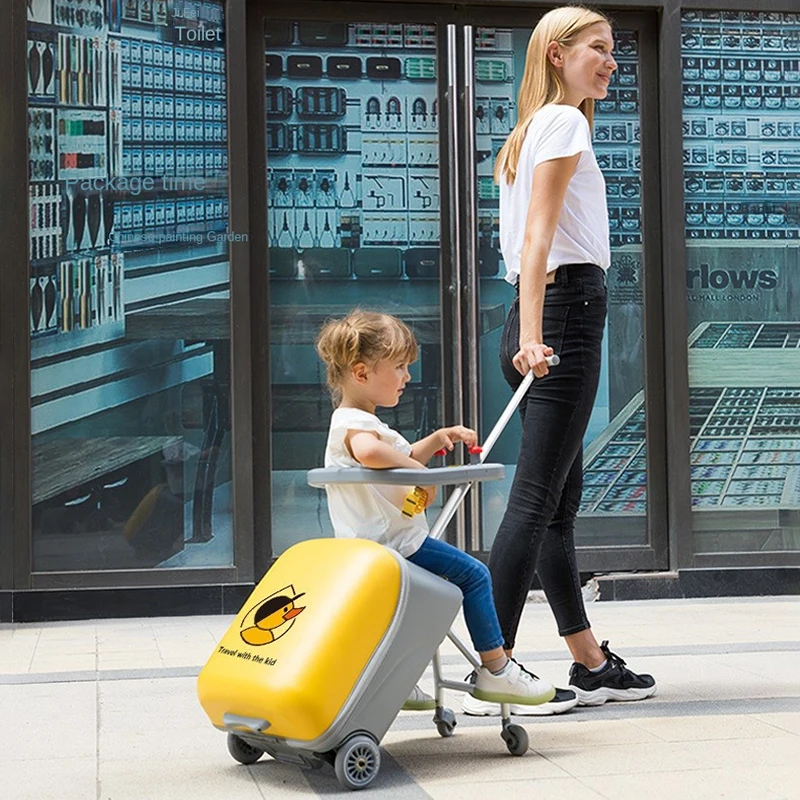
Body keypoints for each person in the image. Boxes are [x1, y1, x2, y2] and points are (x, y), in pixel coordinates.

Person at [463, 5, 656, 717]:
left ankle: (588, 660)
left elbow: (527, 247)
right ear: (555, 54)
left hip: (538, 316)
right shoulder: (565, 124)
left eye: (613, 52)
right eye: (596, 49)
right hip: (561, 319)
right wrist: (535, 339)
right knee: (537, 503)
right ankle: (496, 665)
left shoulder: (529, 132)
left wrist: (523, 330)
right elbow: (540, 242)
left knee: (556, 508)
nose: (611, 62)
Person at [316, 309, 557, 711]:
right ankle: (496, 670)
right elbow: (374, 454)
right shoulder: (354, 424)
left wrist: (436, 440)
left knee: (415, 605)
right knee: (475, 576)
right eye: (399, 367)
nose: (407, 377)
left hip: (381, 543)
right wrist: (421, 476)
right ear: (361, 373)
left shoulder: (360, 420)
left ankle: (390, 677)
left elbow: (397, 454)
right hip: (395, 543)